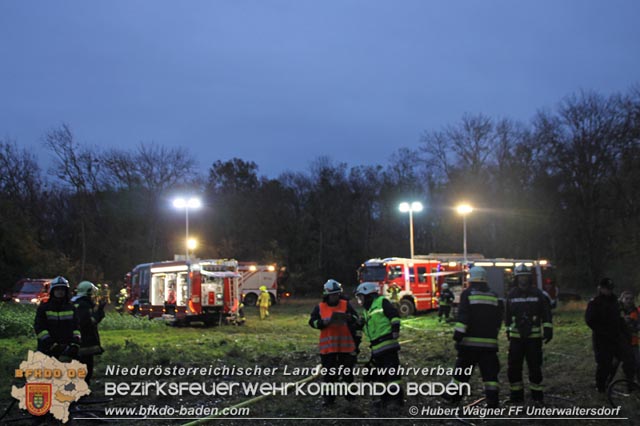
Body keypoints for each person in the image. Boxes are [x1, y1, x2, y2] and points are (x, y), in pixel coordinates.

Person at [448, 266, 503, 408]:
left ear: (471, 278)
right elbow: (498, 319)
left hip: (469, 344)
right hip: (489, 345)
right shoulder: (494, 295)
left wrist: (457, 337)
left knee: (462, 372)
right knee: (490, 375)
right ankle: (493, 401)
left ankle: (453, 396)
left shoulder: (467, 294)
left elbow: (464, 317)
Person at [505, 263, 553, 404]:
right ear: (516, 278)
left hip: (534, 338)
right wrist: (508, 329)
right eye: (520, 277)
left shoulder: (538, 294)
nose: (523, 280)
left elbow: (546, 312)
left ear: (529, 278)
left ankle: (537, 396)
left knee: (535, 367)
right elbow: (507, 315)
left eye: (525, 277)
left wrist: (548, 329)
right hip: (516, 338)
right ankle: (516, 396)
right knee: (514, 368)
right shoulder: (511, 295)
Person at [309, 279, 361, 407]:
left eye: (337, 294)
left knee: (347, 373)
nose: (335, 297)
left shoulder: (346, 305)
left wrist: (350, 318)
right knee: (329, 375)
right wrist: (322, 323)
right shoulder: (320, 307)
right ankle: (329, 399)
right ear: (327, 295)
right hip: (328, 348)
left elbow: (356, 319)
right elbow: (312, 322)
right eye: (333, 295)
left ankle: (350, 396)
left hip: (346, 347)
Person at [355, 281, 403, 413]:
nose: (361, 300)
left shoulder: (382, 302)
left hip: (387, 345)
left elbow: (394, 316)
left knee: (393, 375)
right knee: (381, 376)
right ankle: (385, 399)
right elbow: (369, 329)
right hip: (376, 348)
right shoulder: (367, 311)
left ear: (369, 295)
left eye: (361, 297)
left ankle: (396, 401)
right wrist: (360, 325)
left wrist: (395, 329)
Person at [586, 278, 635, 392]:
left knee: (628, 360)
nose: (609, 291)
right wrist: (603, 332)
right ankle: (601, 386)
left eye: (611, 289)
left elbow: (620, 318)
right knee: (604, 364)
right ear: (600, 288)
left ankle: (630, 385)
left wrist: (626, 334)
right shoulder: (595, 302)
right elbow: (590, 321)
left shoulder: (615, 301)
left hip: (617, 337)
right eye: (607, 289)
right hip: (602, 339)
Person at [34, 276, 81, 362]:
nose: (60, 292)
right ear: (52, 291)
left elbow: (76, 327)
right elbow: (39, 328)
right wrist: (51, 344)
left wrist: (74, 344)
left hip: (66, 349)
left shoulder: (71, 308)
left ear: (66, 291)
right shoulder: (44, 308)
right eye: (57, 289)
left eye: (62, 289)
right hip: (47, 349)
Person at [72, 281, 106, 385]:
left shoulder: (74, 302)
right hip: (85, 341)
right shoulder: (84, 305)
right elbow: (89, 322)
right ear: (88, 293)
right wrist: (99, 311)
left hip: (77, 341)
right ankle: (83, 388)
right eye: (92, 294)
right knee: (86, 365)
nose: (93, 297)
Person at [619, 290, 640, 381]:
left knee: (637, 363)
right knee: (613, 365)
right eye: (626, 298)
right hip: (619, 342)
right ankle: (605, 385)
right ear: (622, 299)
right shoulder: (617, 311)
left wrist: (633, 324)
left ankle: (634, 384)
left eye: (631, 299)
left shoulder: (637, 311)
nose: (629, 301)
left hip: (633, 342)